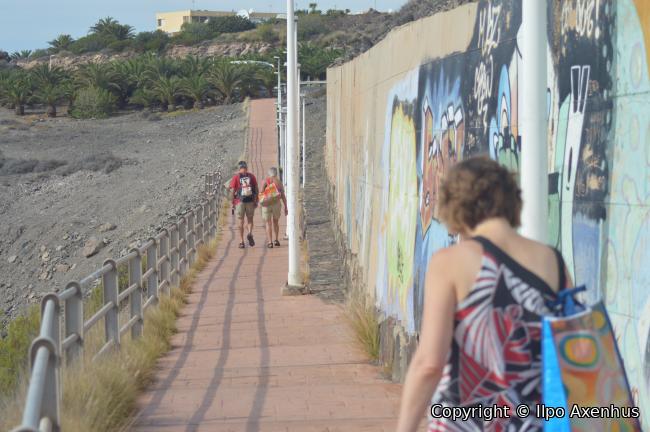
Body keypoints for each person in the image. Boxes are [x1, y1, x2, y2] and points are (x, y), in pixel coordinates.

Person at [396, 156, 572, 432]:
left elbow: (429, 363)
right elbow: (571, 350)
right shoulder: (553, 261)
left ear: (455, 205)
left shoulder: (450, 262)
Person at [229, 160, 259, 249]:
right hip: (250, 201)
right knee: (250, 220)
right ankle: (249, 233)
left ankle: (241, 241)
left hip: (240, 202)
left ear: (239, 168)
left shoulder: (236, 177)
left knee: (240, 221)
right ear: (246, 167)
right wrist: (256, 200)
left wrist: (233, 202)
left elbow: (232, 191)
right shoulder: (251, 176)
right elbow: (256, 189)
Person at [260, 167, 288, 248]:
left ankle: (270, 242)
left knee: (268, 223)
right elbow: (283, 196)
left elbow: (261, 192)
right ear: (276, 173)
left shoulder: (265, 181)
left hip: (266, 204)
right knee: (276, 222)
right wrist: (285, 207)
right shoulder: (279, 182)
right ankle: (276, 239)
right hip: (276, 204)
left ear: (269, 173)